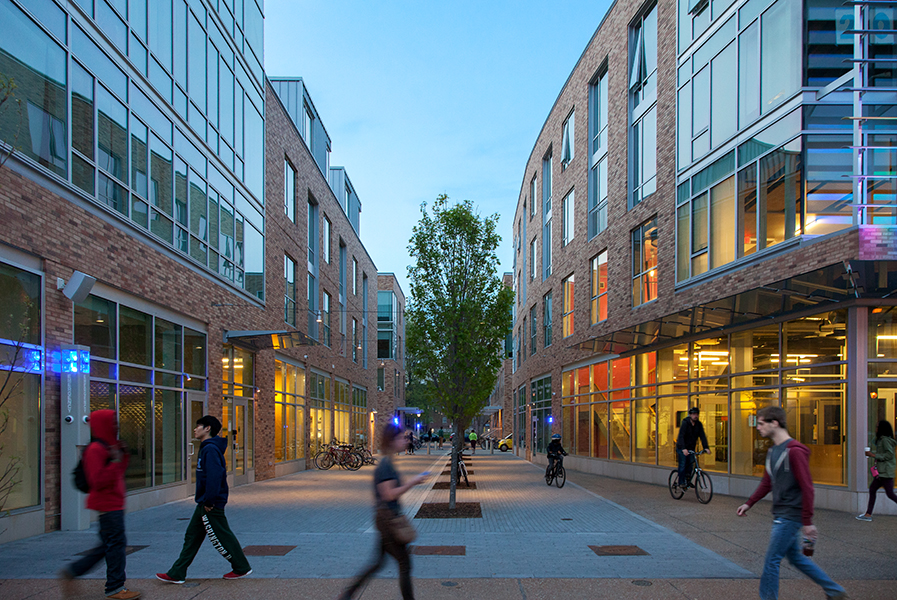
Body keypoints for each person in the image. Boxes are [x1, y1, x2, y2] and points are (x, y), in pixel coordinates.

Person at [736, 406, 847, 600]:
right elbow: (767, 482)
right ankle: (834, 590)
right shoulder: (772, 451)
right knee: (796, 558)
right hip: (782, 513)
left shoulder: (794, 452)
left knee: (771, 561)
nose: (758, 427)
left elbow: (807, 487)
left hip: (790, 515)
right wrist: (749, 503)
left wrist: (807, 521)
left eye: (761, 423)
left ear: (775, 423)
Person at [156, 416, 252, 584]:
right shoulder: (208, 448)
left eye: (198, 426)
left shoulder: (210, 449)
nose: (195, 429)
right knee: (192, 536)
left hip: (210, 503)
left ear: (207, 428)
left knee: (222, 535)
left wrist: (209, 501)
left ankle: (241, 567)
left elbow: (214, 477)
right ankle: (177, 572)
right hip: (205, 502)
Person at [339, 423, 429, 600]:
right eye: (401, 437)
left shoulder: (389, 463)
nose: (405, 441)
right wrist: (414, 482)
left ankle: (348, 594)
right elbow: (388, 494)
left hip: (386, 518)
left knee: (378, 563)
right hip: (388, 520)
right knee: (404, 563)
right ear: (391, 441)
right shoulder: (386, 465)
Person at [60, 409, 141, 600]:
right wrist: (114, 461)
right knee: (115, 546)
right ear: (103, 424)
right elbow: (98, 481)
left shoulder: (107, 447)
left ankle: (73, 571)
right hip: (107, 504)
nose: (116, 426)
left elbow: (118, 471)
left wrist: (122, 455)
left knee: (108, 545)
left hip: (114, 503)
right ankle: (114, 587)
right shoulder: (95, 449)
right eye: (112, 422)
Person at [857, 420, 897, 521]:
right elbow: (873, 442)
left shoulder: (885, 440)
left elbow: (889, 454)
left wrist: (873, 455)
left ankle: (868, 514)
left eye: (878, 427)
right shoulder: (881, 440)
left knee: (890, 494)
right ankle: (868, 514)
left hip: (886, 473)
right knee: (873, 489)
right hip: (882, 472)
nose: (876, 429)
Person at [676, 407, 710, 488]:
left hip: (691, 448)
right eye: (694, 414)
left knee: (691, 465)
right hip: (682, 447)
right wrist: (683, 448)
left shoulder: (699, 425)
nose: (696, 416)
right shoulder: (685, 423)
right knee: (683, 465)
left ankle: (688, 480)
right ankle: (681, 482)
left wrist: (706, 447)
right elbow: (681, 436)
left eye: (697, 414)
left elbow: (702, 436)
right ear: (690, 415)